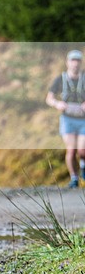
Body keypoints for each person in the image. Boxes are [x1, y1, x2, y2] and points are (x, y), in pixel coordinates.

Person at [46, 50, 85, 188]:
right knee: (71, 150)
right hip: (67, 119)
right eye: (72, 61)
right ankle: (74, 178)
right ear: (67, 62)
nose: (75, 64)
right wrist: (57, 104)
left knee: (82, 150)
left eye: (77, 61)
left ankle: (83, 167)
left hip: (83, 120)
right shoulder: (60, 79)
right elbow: (49, 98)